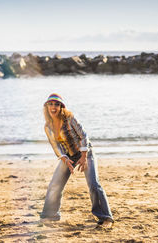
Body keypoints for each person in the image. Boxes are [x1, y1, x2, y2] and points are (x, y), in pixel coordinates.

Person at [40, 93, 114, 228]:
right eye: (50, 104)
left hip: (86, 152)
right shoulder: (47, 126)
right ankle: (51, 215)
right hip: (68, 155)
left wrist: (84, 156)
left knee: (93, 184)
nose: (53, 107)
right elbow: (55, 145)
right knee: (54, 185)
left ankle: (105, 218)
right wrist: (63, 158)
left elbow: (84, 136)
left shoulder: (69, 118)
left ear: (61, 107)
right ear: (46, 107)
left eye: (57, 104)